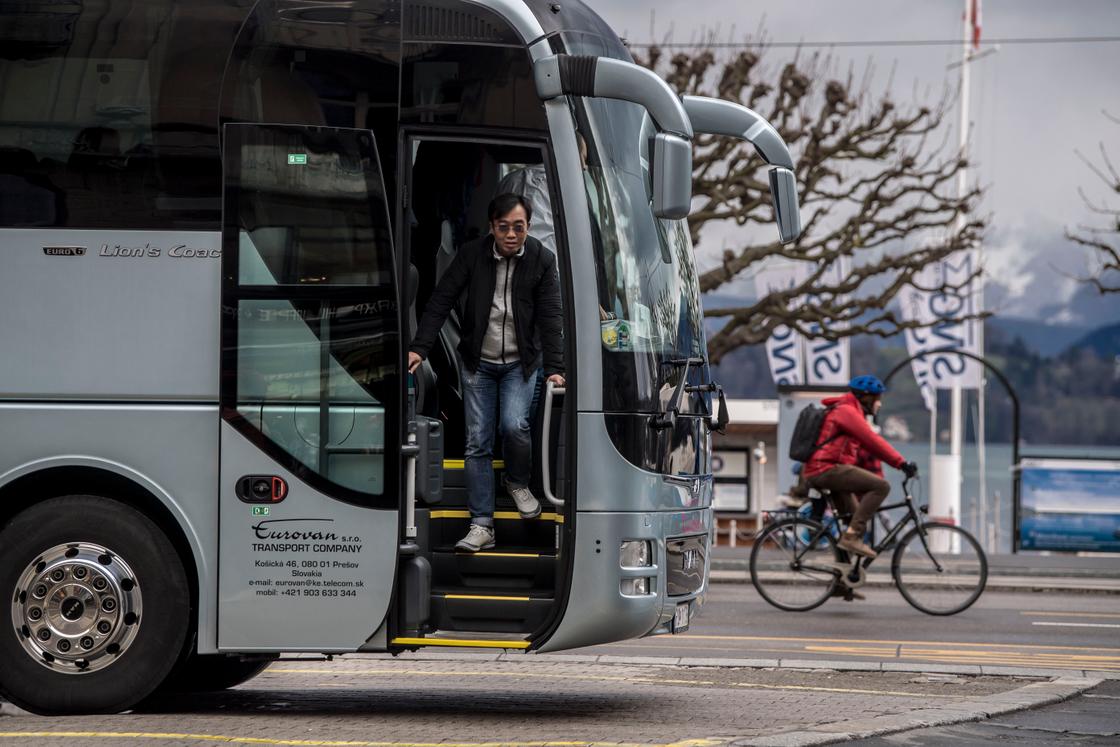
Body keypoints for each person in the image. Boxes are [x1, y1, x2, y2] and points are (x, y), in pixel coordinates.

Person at [408, 193, 565, 552]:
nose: (511, 234)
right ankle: (482, 524)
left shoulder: (542, 259)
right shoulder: (472, 255)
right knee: (477, 441)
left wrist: (555, 369)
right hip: (478, 363)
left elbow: (551, 315)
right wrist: (420, 348)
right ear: (493, 227)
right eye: (504, 227)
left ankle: (516, 481)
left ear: (528, 226)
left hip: (520, 364)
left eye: (519, 227)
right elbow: (441, 299)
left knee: (514, 426)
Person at [802, 375, 918, 560]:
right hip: (825, 468)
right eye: (878, 398)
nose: (879, 404)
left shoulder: (848, 411)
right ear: (867, 397)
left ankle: (844, 576)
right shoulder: (847, 412)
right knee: (881, 486)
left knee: (855, 519)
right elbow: (872, 440)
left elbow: (868, 445)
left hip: (826, 469)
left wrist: (897, 463)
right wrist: (901, 463)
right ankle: (850, 538)